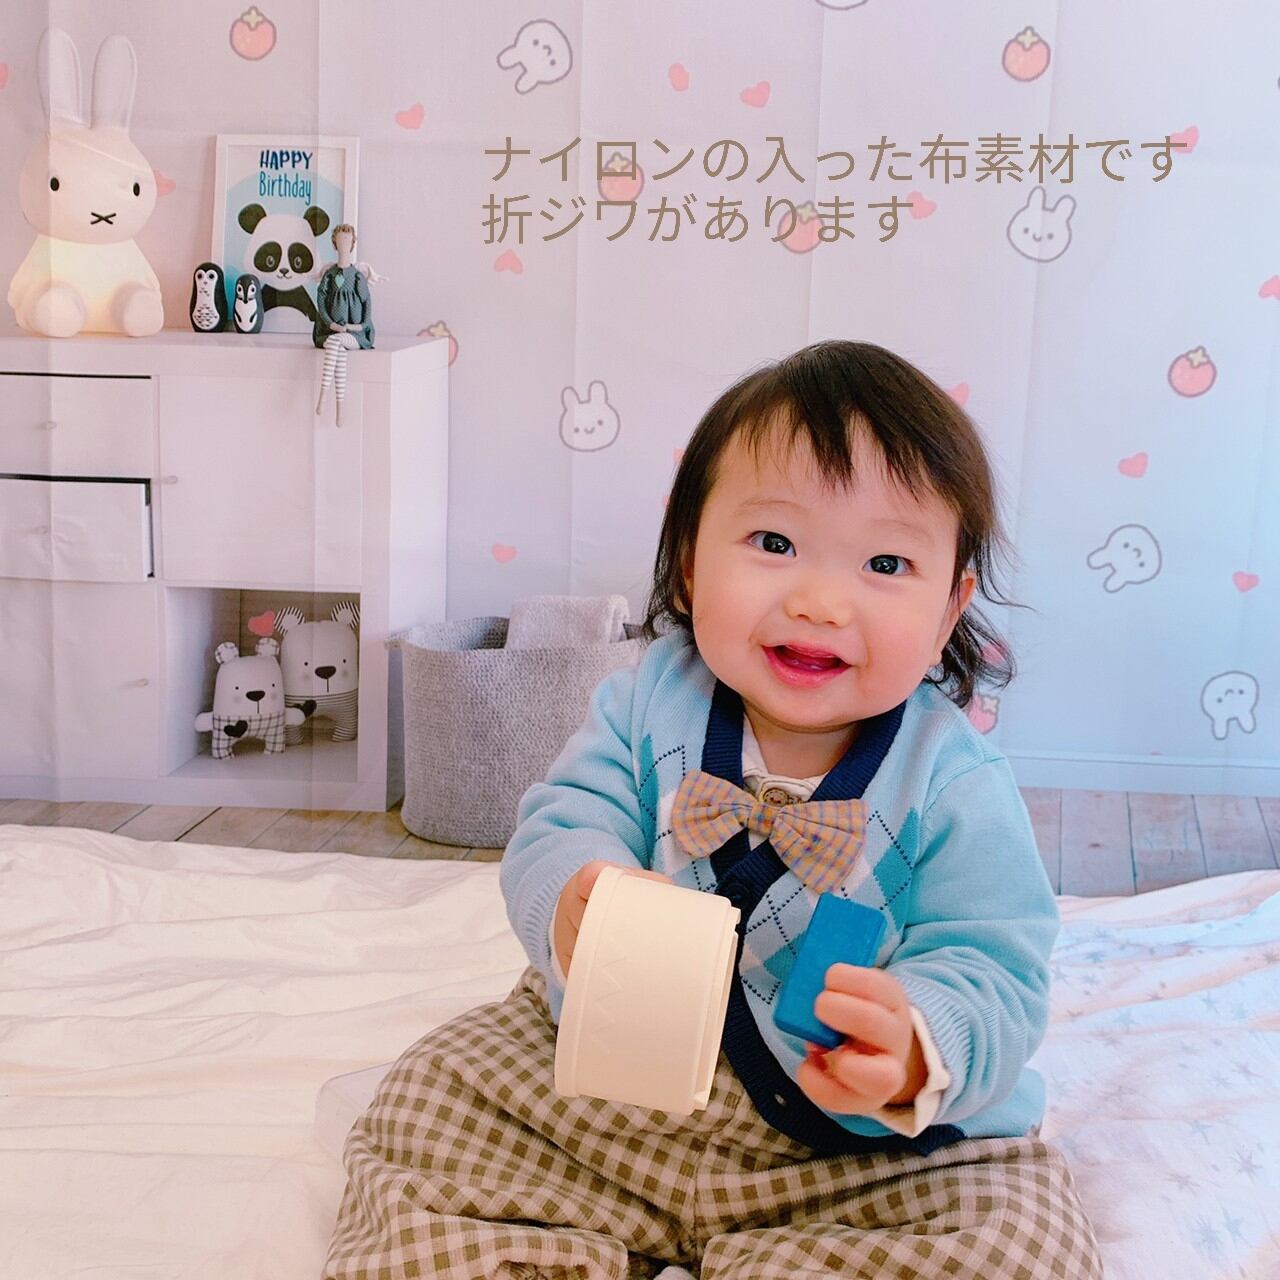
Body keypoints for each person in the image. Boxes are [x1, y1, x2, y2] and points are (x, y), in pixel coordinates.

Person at [323, 340, 1105, 1279]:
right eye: (774, 544)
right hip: (607, 1106)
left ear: (948, 608)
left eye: (886, 561)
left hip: (855, 1158)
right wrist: (575, 896)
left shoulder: (952, 781)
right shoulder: (646, 699)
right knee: (423, 1107)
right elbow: (563, 819)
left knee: (1016, 1243)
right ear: (691, 560)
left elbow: (996, 963)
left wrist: (916, 1045)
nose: (820, 601)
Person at [313, 223, 374, 426]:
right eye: (340, 239)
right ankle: (340, 408)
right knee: (337, 346)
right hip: (330, 330)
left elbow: (366, 302)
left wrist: (360, 326)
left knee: (336, 342)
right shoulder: (330, 274)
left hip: (355, 334)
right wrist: (331, 324)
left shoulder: (356, 275)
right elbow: (321, 300)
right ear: (334, 243)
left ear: (353, 243)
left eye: (347, 239)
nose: (343, 243)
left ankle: (323, 396)